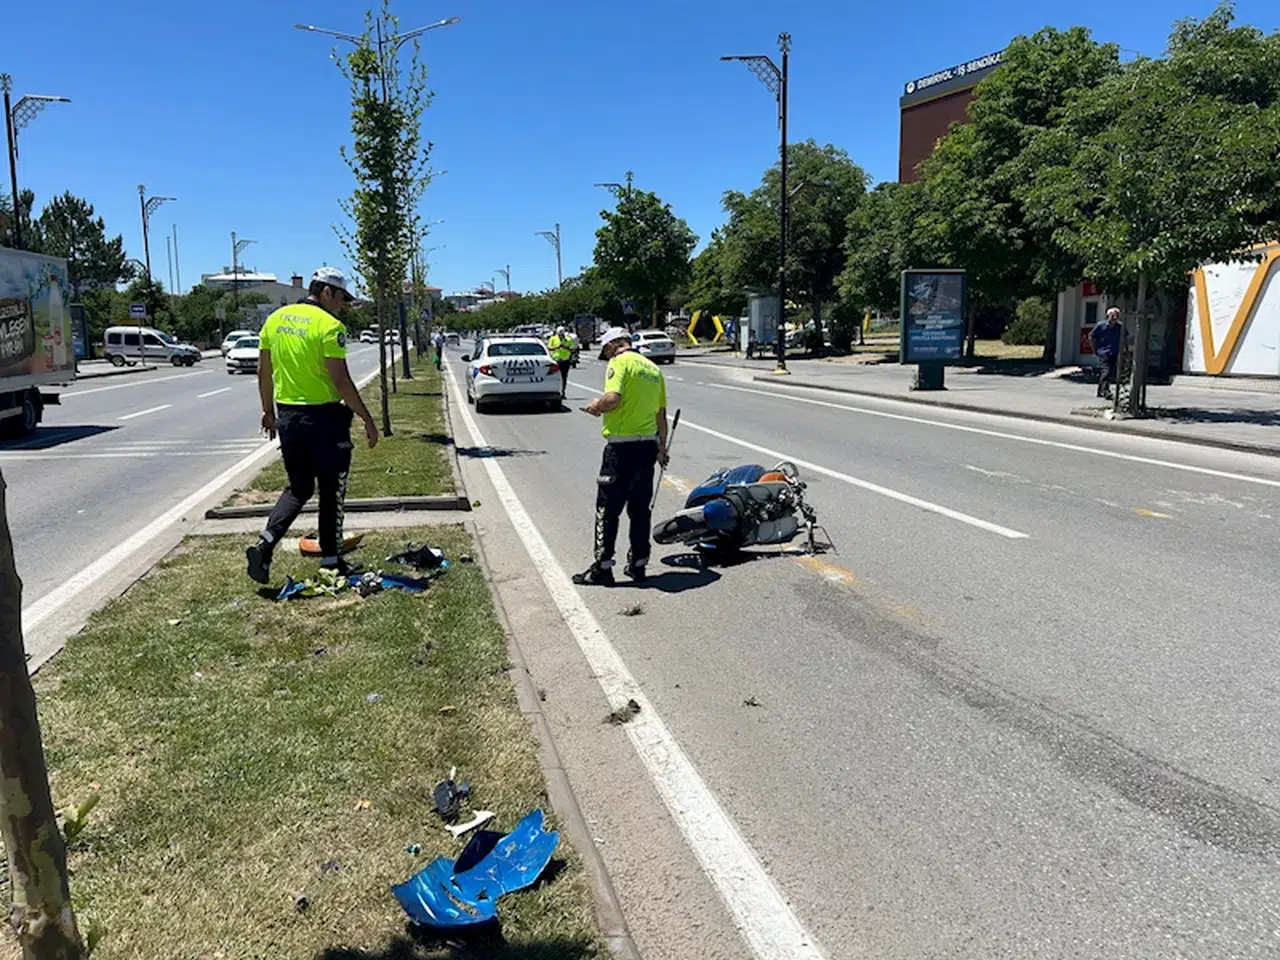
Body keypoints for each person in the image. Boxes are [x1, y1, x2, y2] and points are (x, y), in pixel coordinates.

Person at [245, 267, 379, 584]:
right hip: (325, 419)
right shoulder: (330, 326)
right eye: (341, 297)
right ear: (326, 292)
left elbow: (263, 372)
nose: (343, 304)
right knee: (331, 489)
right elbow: (341, 380)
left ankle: (265, 544)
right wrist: (367, 418)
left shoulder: (275, 320)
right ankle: (331, 561)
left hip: (288, 416)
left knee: (299, 487)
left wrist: (268, 411)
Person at [574, 328, 669, 586]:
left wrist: (596, 405)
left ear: (613, 345)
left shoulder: (619, 363)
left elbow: (613, 399)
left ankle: (602, 567)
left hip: (621, 449)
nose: (606, 354)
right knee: (640, 510)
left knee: (608, 509)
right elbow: (661, 415)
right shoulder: (653, 369)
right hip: (647, 447)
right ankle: (638, 564)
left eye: (605, 349)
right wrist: (662, 449)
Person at [1090, 307, 1125, 399]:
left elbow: (1124, 339)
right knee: (1106, 371)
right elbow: (1091, 337)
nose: (1114, 317)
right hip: (1103, 352)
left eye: (1116, 315)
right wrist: (1094, 350)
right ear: (1108, 315)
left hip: (1115, 352)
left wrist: (1126, 351)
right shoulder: (1101, 325)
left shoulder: (1120, 327)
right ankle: (1106, 391)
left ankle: (1100, 391)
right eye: (1112, 315)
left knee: (1109, 373)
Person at [548, 325, 573, 397]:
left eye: (562, 334)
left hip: (565, 360)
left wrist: (565, 347)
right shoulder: (553, 338)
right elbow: (549, 348)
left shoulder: (568, 339)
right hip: (556, 361)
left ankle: (563, 392)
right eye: (559, 334)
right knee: (555, 377)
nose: (560, 336)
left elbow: (572, 349)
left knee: (564, 377)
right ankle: (555, 391)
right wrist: (557, 347)